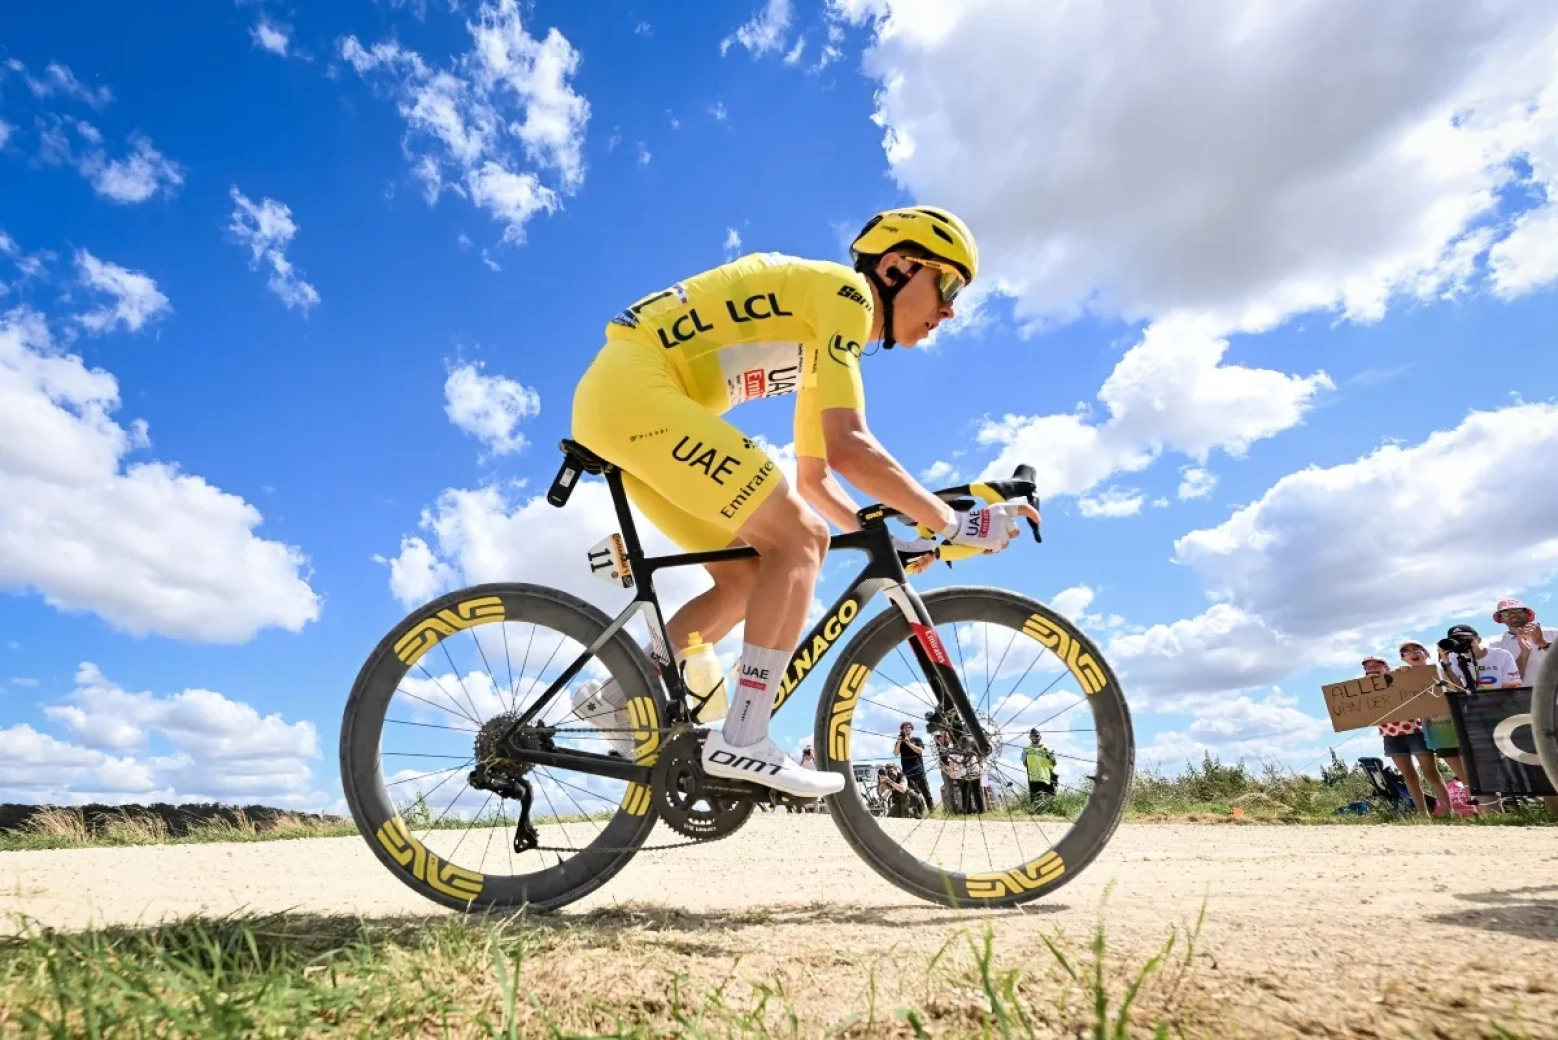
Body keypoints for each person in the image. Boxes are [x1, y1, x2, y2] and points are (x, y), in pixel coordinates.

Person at [569, 207, 1037, 799]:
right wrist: (954, 520)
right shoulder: (846, 295)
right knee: (802, 539)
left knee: (750, 572)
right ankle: (742, 736)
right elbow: (852, 447)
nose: (950, 309)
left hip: (623, 403)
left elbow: (816, 476)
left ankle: (614, 701)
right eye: (946, 285)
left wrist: (894, 536)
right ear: (896, 268)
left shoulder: (822, 341)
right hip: (639, 391)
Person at [1363, 656, 1450, 816]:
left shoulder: (1399, 678)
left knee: (1430, 772)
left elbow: (1414, 682)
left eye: (1377, 665)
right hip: (1390, 736)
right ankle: (1423, 814)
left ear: (1386, 668)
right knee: (1408, 776)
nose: (1372, 668)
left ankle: (1446, 811)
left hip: (1414, 731)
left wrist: (1404, 672)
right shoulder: (1363, 688)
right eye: (1368, 667)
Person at [1398, 640, 1467, 787]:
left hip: (1459, 726)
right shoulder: (1404, 678)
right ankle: (1480, 810)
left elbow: (1459, 689)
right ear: (1403, 659)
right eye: (1407, 651)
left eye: (1417, 649)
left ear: (1426, 653)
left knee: (1472, 773)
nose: (1413, 653)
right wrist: (1401, 676)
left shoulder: (1442, 669)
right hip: (1438, 733)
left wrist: (1445, 664)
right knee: (1463, 777)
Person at [1488, 599, 1555, 685]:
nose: (1512, 614)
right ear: (1501, 619)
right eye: (1505, 612)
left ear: (1527, 613)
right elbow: (1506, 681)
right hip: (1524, 697)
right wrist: (1524, 654)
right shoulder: (1497, 646)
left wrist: (1543, 643)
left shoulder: (1553, 633)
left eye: (1517, 610)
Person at [894, 721, 935, 811]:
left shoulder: (917, 740)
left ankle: (932, 810)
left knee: (925, 791)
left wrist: (909, 743)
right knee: (910, 792)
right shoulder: (900, 742)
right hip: (907, 771)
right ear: (902, 730)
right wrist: (899, 741)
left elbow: (920, 751)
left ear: (911, 729)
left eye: (908, 727)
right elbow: (896, 753)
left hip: (918, 770)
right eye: (904, 727)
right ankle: (916, 811)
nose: (907, 729)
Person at [1021, 728, 1058, 802]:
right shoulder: (1026, 749)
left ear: (1040, 737)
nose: (1034, 738)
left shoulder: (1047, 748)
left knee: (1049, 797)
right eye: (1032, 736)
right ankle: (1038, 812)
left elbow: (1054, 762)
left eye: (1036, 736)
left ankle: (1050, 811)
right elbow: (1024, 762)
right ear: (1030, 737)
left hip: (1046, 776)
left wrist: (1048, 769)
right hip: (1033, 777)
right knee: (1036, 798)